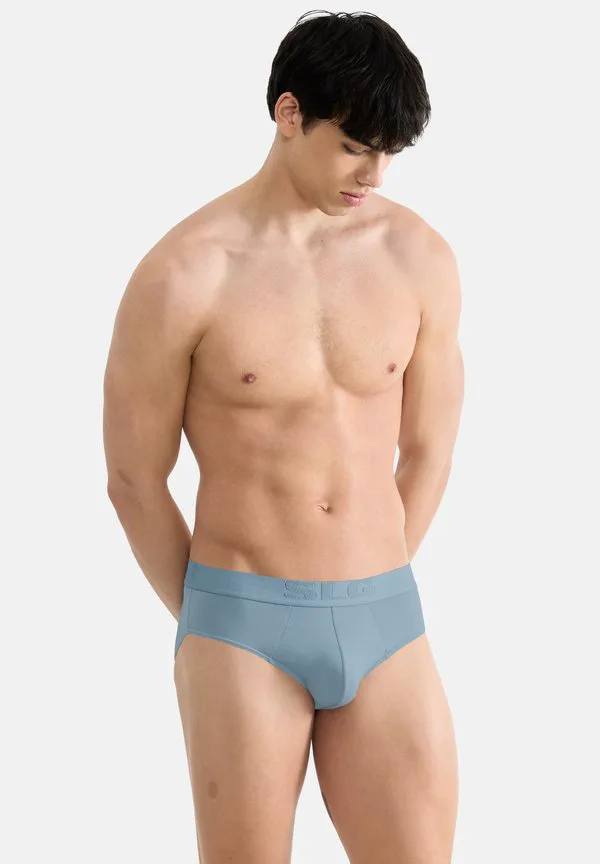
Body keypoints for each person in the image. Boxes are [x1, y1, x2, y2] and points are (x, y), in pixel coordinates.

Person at [103, 9, 464, 863]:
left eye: (390, 153)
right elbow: (133, 478)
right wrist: (215, 615)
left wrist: (370, 575)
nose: (374, 174)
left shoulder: (419, 256)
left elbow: (428, 449)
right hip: (241, 627)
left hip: (386, 617)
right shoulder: (184, 272)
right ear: (289, 113)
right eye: (355, 147)